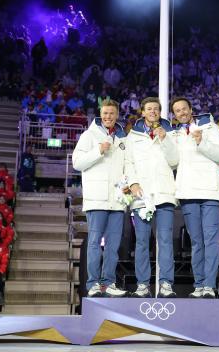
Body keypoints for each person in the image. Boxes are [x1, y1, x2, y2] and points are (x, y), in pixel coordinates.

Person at [171, 97, 219, 298]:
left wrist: (201, 141)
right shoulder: (175, 134)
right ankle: (198, 285)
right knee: (196, 242)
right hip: (188, 194)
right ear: (175, 115)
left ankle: (209, 286)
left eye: (184, 109)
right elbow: (172, 161)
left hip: (209, 194)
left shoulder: (210, 127)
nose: (182, 113)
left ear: (190, 109)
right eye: (177, 111)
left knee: (211, 241)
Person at [72, 99, 127, 298]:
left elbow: (126, 167)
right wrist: (98, 151)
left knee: (113, 245)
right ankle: (93, 283)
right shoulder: (89, 135)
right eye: (105, 113)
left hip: (118, 200)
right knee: (95, 242)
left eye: (112, 113)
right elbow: (77, 163)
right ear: (100, 114)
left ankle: (108, 282)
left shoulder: (123, 138)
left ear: (117, 114)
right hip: (96, 199)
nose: (108, 117)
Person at [125, 96, 179, 299]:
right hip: (142, 196)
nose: (153, 112)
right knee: (141, 241)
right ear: (143, 112)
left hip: (165, 193)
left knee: (165, 241)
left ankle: (166, 284)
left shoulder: (170, 133)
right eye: (149, 109)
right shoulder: (133, 135)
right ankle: (142, 285)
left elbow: (175, 161)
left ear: (160, 112)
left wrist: (165, 139)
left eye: (156, 109)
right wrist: (133, 183)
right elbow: (128, 162)